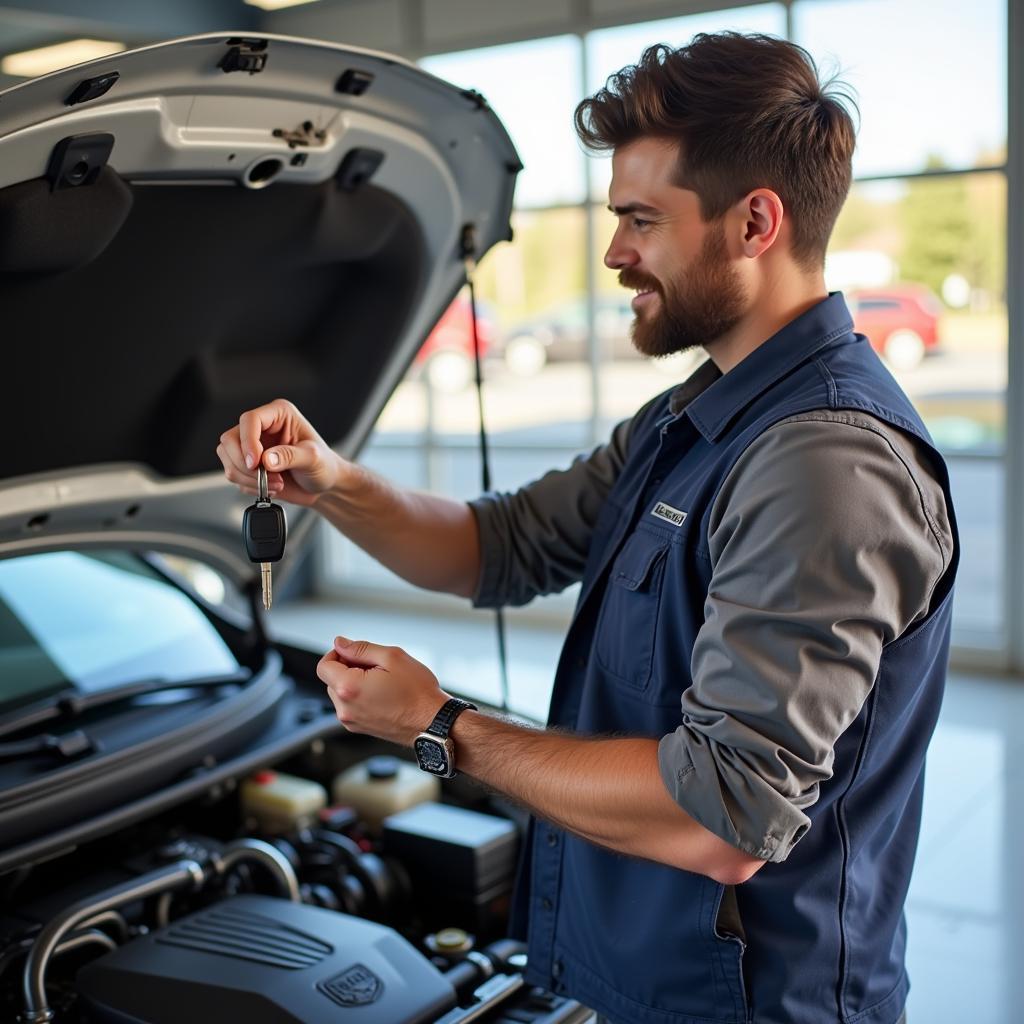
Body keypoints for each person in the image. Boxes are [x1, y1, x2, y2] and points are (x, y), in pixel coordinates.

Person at [217, 32, 956, 1024]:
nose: (614, 252)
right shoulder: (691, 418)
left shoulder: (822, 462)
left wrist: (443, 728)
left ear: (755, 223)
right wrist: (330, 480)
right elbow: (499, 545)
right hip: (631, 980)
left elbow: (726, 810)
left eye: (641, 220)